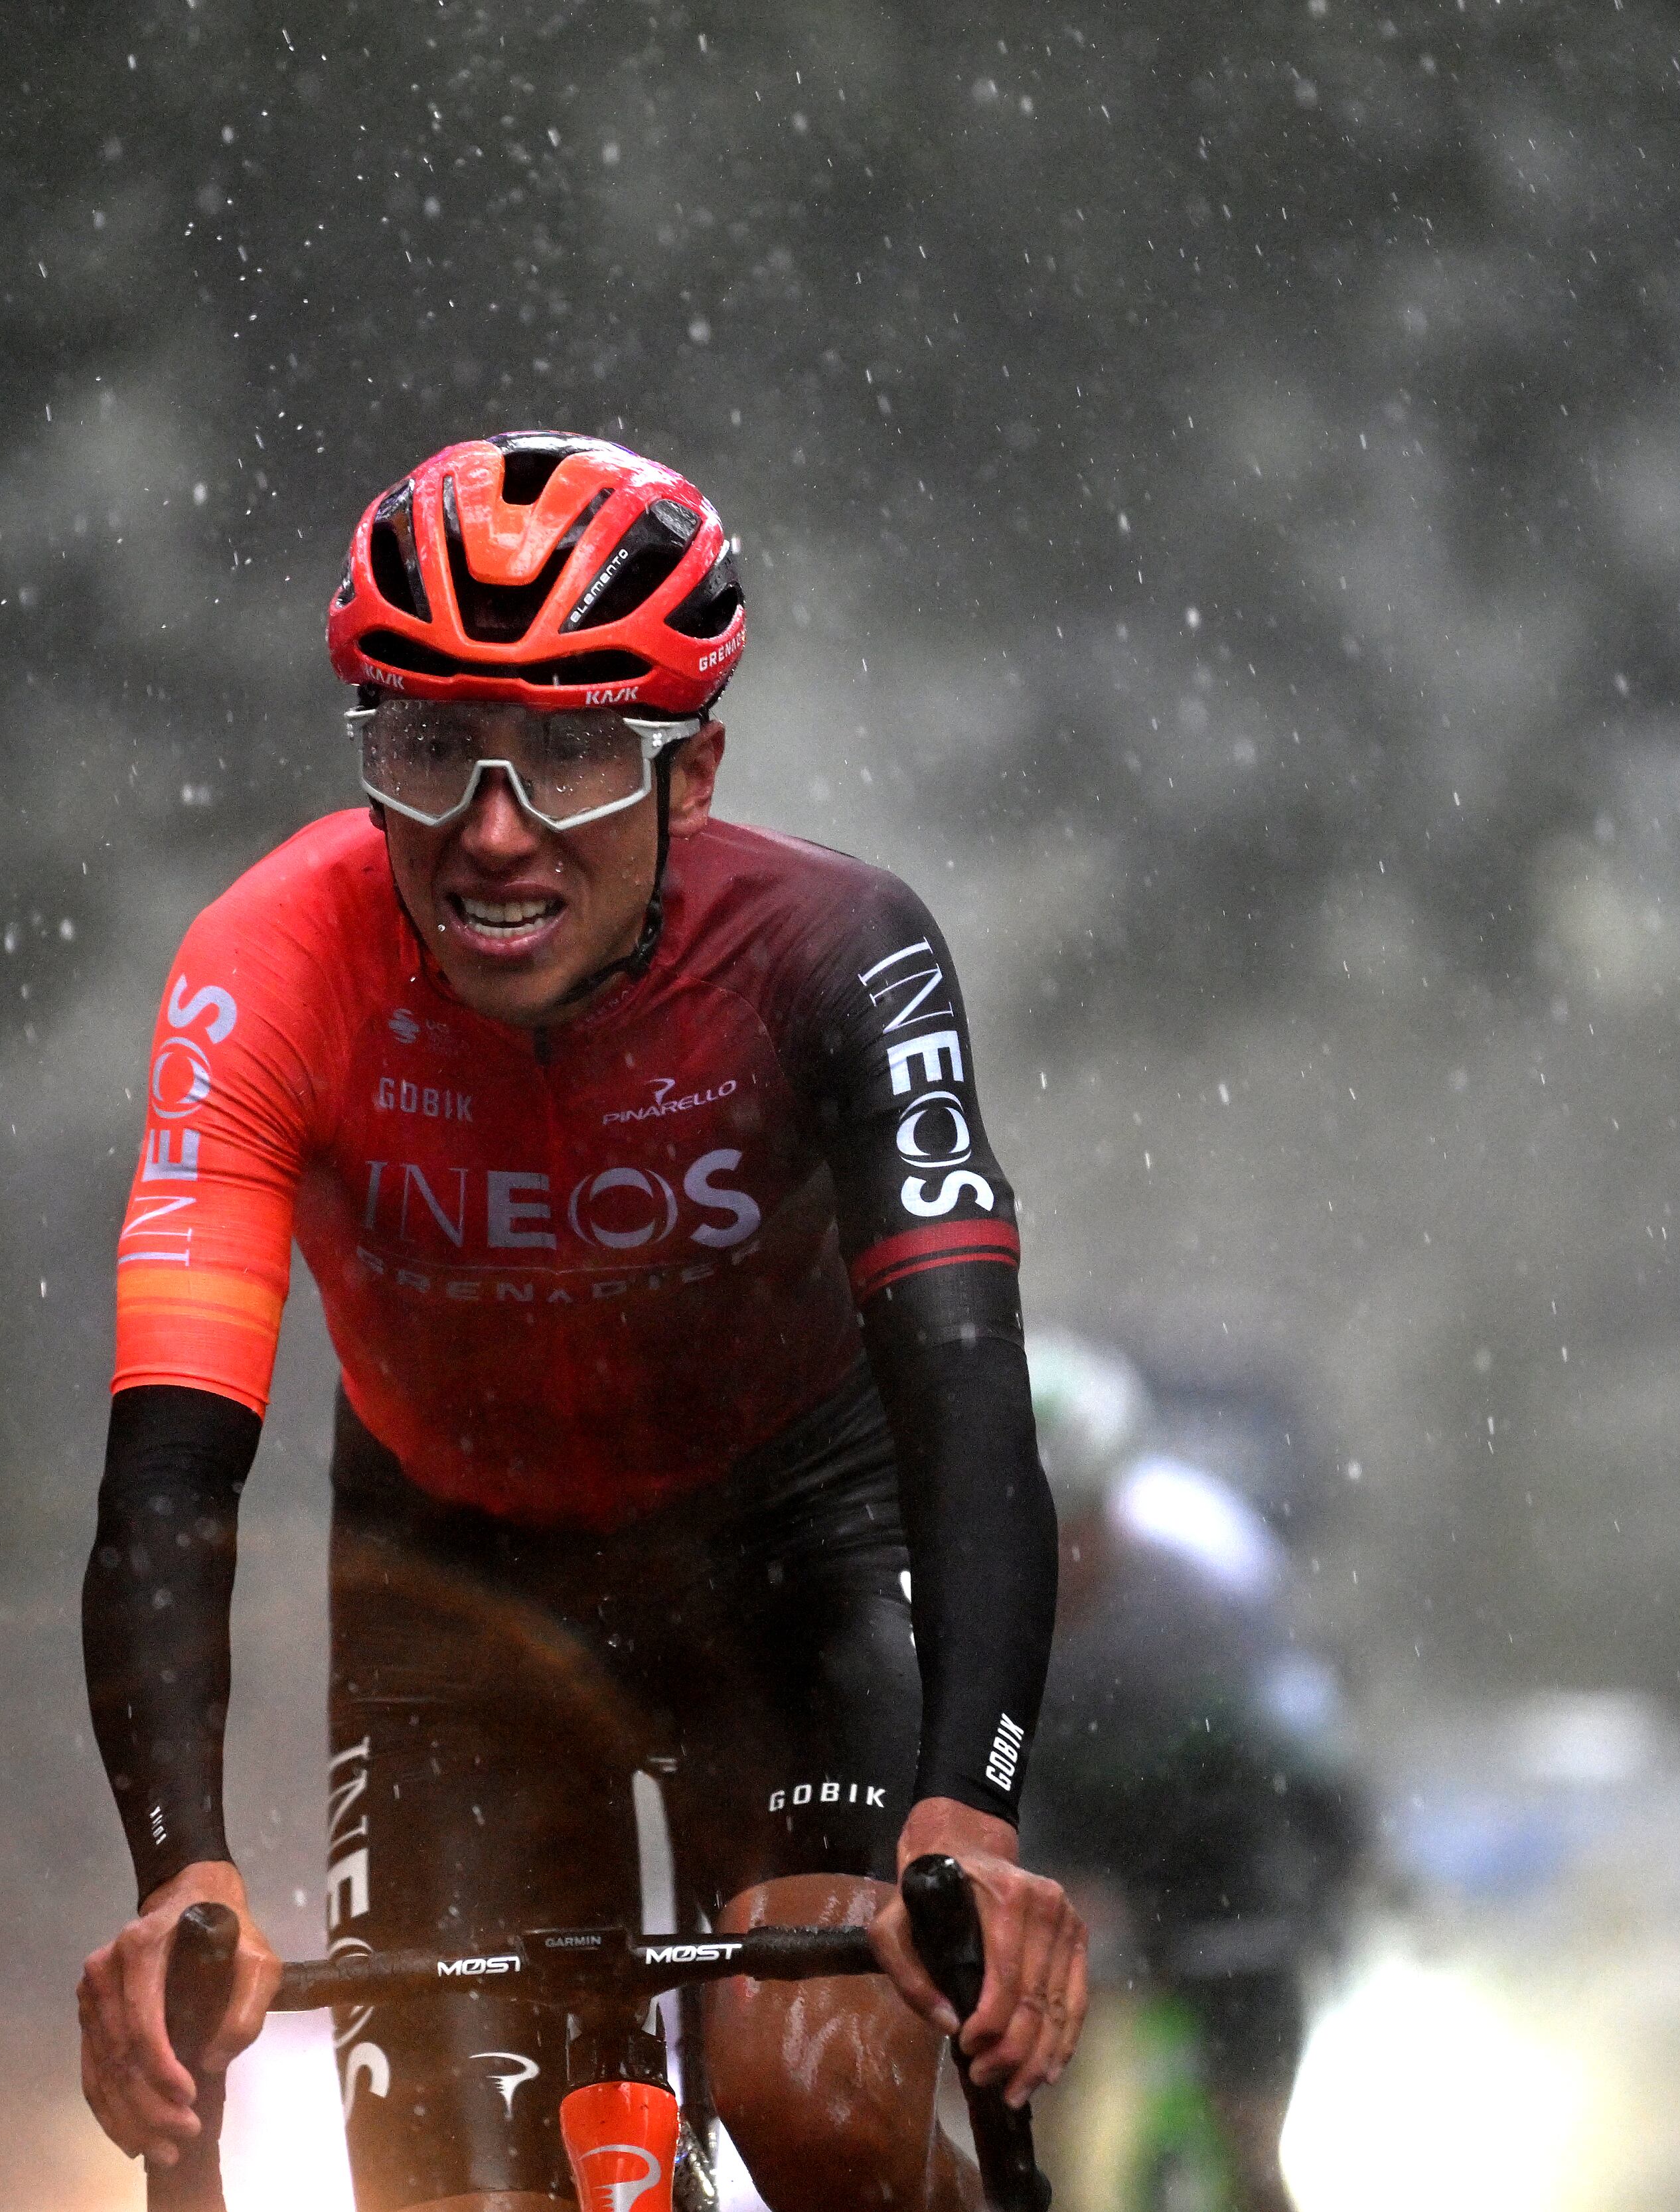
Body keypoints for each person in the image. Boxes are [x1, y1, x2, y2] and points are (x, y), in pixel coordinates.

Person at [73, 432, 1086, 2212]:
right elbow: (168, 1470)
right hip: (457, 1580)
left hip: (792, 1553)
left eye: (571, 751)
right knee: (450, 2194)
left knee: (818, 2105)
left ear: (695, 770)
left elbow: (962, 1386)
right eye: (429, 746)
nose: (492, 829)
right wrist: (183, 1868)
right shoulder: (266, 964)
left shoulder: (836, 950)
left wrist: (970, 1810)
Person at [1018, 1333, 1363, 2212]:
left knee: (1249, 2128)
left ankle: (1252, 2171)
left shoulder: (1205, 1580)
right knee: (1027, 2114)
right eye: (1023, 1531)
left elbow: (1303, 1761)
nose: (1059, 1557)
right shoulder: (941, 1597)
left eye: (1079, 1523)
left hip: (1214, 1828)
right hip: (1054, 1817)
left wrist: (1335, 1885)